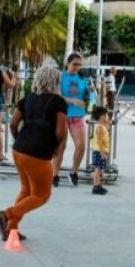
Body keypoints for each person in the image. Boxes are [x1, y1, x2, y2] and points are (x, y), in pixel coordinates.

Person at [0, 67, 67, 240]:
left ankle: (11, 228)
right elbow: (60, 131)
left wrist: (19, 139)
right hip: (38, 152)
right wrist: (56, 147)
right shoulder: (58, 102)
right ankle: (7, 214)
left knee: (27, 190)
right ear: (55, 82)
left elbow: (13, 123)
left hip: (19, 149)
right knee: (42, 195)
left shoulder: (27, 99)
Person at [52, 53, 88, 187]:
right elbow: (57, 96)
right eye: (74, 64)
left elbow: (88, 96)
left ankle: (74, 171)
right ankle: (55, 174)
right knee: (61, 146)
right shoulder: (61, 77)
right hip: (62, 115)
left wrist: (92, 92)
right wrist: (73, 101)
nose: (77, 67)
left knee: (81, 145)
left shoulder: (83, 78)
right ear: (68, 63)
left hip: (78, 116)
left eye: (79, 65)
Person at [90, 105, 110, 195]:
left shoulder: (102, 126)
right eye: (106, 115)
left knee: (100, 169)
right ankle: (95, 186)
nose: (108, 117)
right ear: (102, 117)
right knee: (98, 169)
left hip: (102, 151)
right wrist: (102, 152)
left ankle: (99, 185)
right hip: (99, 151)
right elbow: (99, 141)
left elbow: (108, 126)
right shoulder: (99, 128)